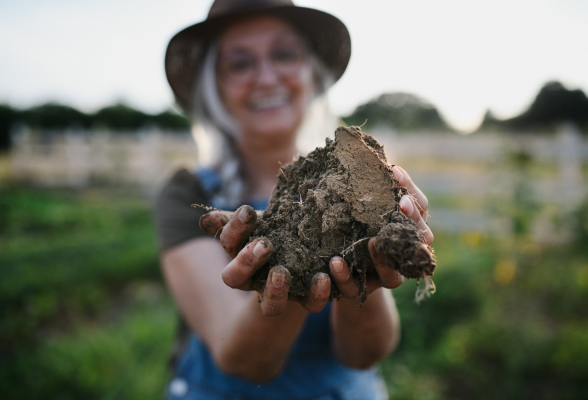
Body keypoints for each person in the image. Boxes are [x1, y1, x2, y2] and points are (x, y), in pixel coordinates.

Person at [154, 1, 433, 399]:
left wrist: (374, 262)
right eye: (239, 63)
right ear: (214, 86)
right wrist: (291, 271)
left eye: (284, 54)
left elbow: (364, 354)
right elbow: (245, 362)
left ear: (311, 70)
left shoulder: (355, 182)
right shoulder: (189, 193)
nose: (266, 77)